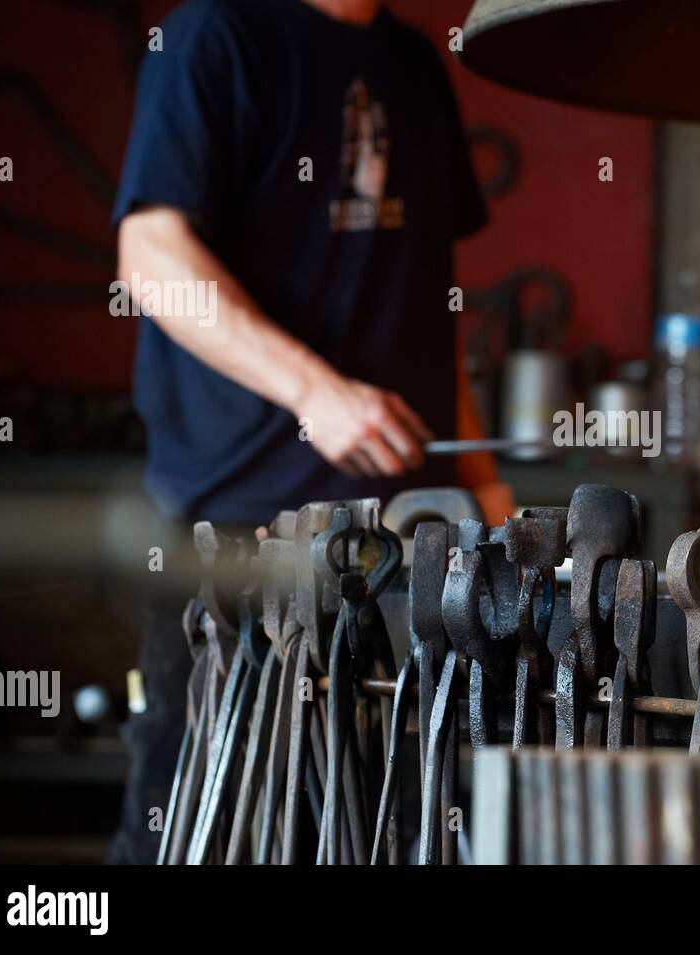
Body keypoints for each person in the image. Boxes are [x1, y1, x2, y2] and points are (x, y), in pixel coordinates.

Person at [107, 0, 508, 862]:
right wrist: (314, 393)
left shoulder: (412, 64)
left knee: (398, 834)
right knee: (188, 833)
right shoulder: (211, 37)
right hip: (230, 552)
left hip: (407, 560)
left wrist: (488, 491)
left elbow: (429, 309)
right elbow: (150, 255)